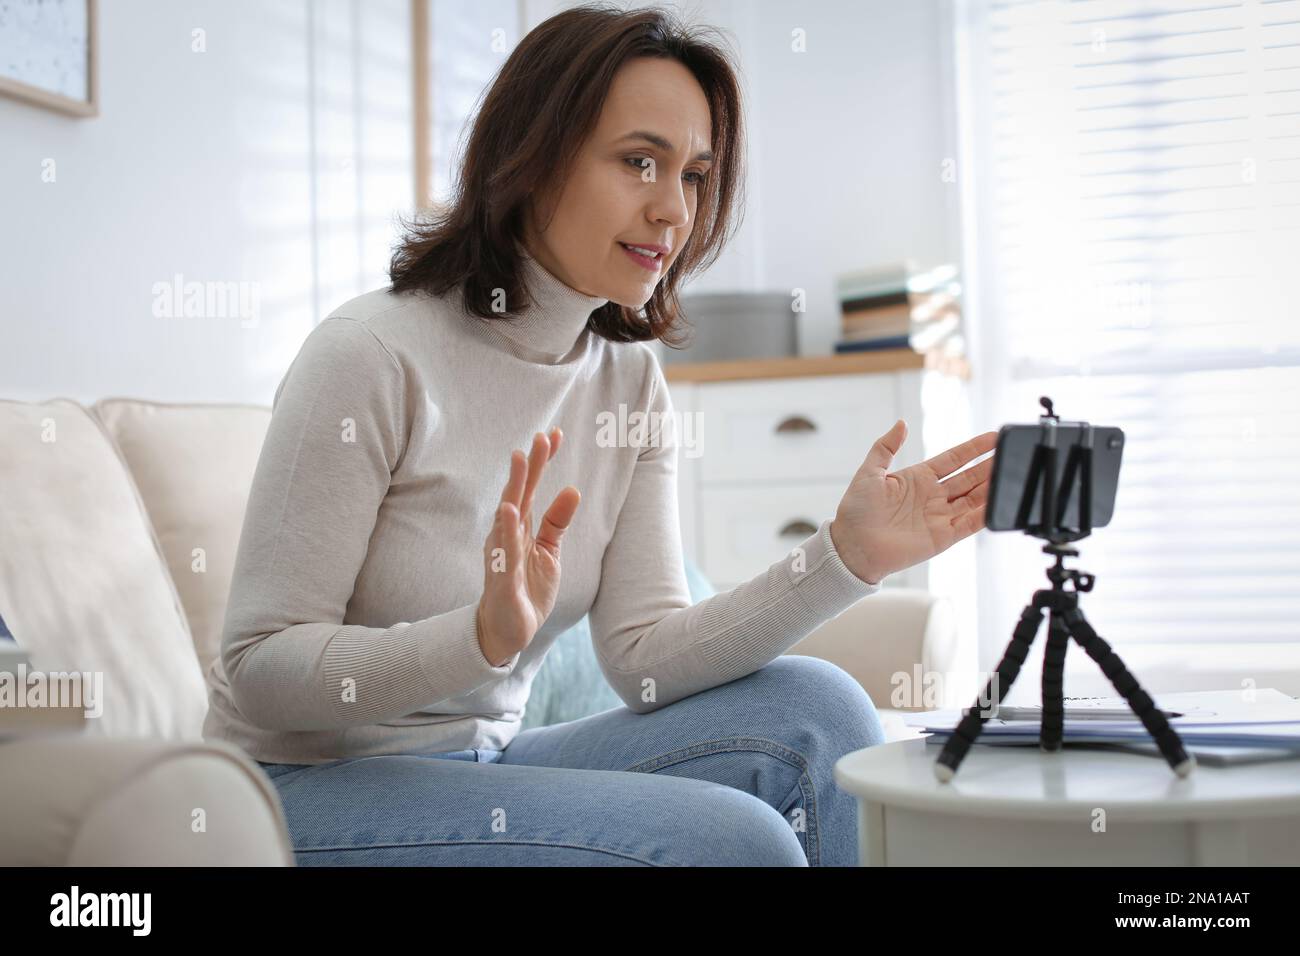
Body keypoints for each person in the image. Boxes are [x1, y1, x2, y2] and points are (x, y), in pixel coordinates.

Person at [201, 3, 996, 866]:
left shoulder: (627, 381)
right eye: (638, 162)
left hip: (481, 767)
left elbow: (644, 655)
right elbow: (259, 665)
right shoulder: (369, 355)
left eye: (693, 174)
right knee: (735, 842)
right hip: (294, 791)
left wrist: (845, 558)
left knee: (822, 712)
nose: (674, 211)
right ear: (531, 158)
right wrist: (476, 639)